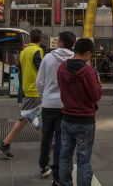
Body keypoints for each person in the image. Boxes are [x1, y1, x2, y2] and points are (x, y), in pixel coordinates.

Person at [58, 38, 102, 186]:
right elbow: (96, 96)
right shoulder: (89, 71)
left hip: (66, 118)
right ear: (87, 53)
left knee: (64, 156)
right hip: (85, 121)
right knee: (83, 160)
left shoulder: (62, 67)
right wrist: (98, 83)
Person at [0, 29, 44, 159]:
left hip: (27, 88)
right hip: (35, 90)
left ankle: (5, 144)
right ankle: (4, 144)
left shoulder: (23, 52)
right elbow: (42, 70)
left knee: (32, 117)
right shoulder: (37, 51)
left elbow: (21, 71)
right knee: (28, 118)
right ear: (41, 39)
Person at [36, 31, 76, 185]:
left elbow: (40, 82)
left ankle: (43, 165)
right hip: (65, 105)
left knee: (46, 136)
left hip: (48, 104)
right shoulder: (74, 59)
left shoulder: (48, 58)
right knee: (60, 139)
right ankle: (58, 170)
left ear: (60, 41)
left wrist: (44, 96)